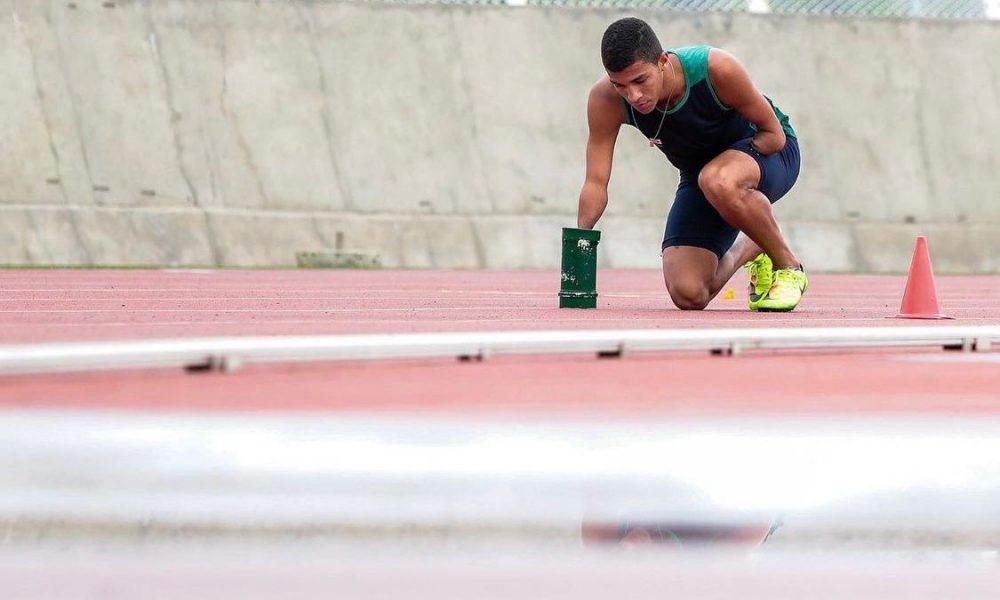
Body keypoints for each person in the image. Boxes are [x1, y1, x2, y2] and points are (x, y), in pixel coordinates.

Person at [577, 17, 806, 312]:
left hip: (772, 153)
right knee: (688, 293)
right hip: (701, 176)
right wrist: (580, 240)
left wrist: (733, 174)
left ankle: (789, 267)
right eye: (620, 85)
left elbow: (773, 135)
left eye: (640, 81)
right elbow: (596, 182)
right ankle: (753, 245)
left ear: (662, 60)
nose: (633, 96)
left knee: (718, 180)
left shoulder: (715, 69)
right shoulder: (605, 100)